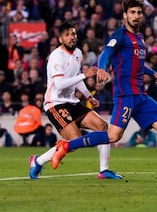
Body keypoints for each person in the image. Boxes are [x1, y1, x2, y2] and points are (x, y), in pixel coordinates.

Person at [51, 0, 157, 185]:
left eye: (139, 13)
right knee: (113, 136)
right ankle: (66, 146)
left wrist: (153, 73)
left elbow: (137, 65)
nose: (136, 16)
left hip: (141, 97)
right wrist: (101, 68)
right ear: (125, 15)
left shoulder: (140, 38)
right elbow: (105, 54)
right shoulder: (120, 35)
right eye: (132, 12)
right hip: (126, 97)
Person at [28, 21, 121, 180]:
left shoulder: (77, 52)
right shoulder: (56, 57)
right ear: (60, 39)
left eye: (74, 34)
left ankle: (104, 170)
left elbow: (75, 79)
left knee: (102, 126)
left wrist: (88, 96)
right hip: (55, 104)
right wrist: (85, 75)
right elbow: (59, 84)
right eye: (68, 35)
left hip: (73, 102)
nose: (72, 37)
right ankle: (38, 161)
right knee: (75, 140)